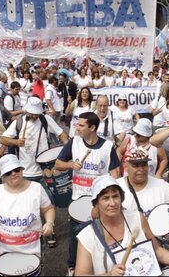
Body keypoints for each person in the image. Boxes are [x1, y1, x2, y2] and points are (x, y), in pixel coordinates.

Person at [74, 175, 169, 276]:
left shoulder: (137, 218)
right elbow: (80, 274)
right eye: (105, 198)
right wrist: (110, 274)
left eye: (115, 196)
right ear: (96, 203)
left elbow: (157, 251)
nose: (112, 203)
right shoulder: (87, 236)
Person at [55, 111, 120, 273]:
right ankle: (72, 268)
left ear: (92, 128)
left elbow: (115, 174)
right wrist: (71, 165)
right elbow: (57, 164)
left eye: (81, 125)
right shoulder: (74, 142)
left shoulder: (107, 147)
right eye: (77, 124)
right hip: (78, 200)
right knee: (76, 239)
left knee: (100, 238)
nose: (77, 127)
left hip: (99, 204)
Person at [0, 154, 55, 256]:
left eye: (16, 169)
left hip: (31, 250)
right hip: (4, 250)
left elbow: (48, 209)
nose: (13, 173)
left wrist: (49, 222)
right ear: (3, 175)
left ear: (21, 169)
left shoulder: (36, 188)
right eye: (8, 172)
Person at [118, 150, 169, 237]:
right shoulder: (116, 188)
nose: (141, 169)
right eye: (136, 165)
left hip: (158, 242)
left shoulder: (160, 185)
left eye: (144, 164)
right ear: (125, 166)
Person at [1, 96, 68, 182]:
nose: (34, 116)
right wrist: (16, 142)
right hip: (25, 172)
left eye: (36, 114)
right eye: (32, 113)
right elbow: (3, 139)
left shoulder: (45, 119)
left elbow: (61, 133)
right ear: (27, 110)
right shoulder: (19, 122)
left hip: (45, 171)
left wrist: (67, 151)